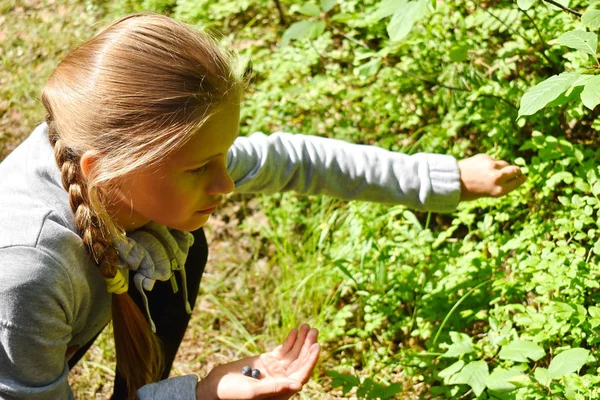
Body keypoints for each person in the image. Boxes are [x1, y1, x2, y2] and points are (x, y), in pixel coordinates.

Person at [0, 12, 526, 400]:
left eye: (223, 156)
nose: (226, 183)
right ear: (100, 168)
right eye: (200, 168)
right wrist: (202, 393)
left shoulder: (124, 162)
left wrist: (444, 178)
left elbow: (292, 158)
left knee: (186, 239)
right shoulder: (29, 267)